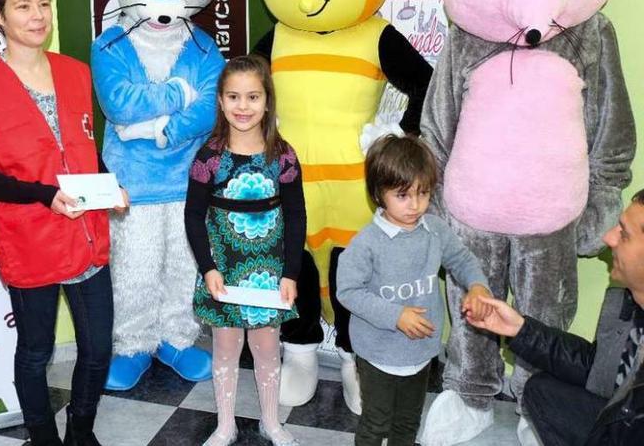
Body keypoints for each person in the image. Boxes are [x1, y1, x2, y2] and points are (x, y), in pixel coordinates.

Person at [0, 0, 124, 446]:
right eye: (23, 6)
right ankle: (44, 436)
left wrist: (110, 186)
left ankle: (81, 429)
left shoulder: (73, 72)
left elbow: (84, 148)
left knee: (96, 349)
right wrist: (43, 195)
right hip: (30, 239)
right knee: (35, 351)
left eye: (43, 4)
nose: (37, 16)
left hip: (87, 236)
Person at [335, 135, 493, 446]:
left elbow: (461, 259)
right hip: (378, 354)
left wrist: (477, 286)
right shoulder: (367, 244)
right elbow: (349, 291)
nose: (415, 205)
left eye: (423, 193)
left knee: (408, 424)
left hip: (421, 353)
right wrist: (396, 316)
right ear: (379, 193)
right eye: (403, 195)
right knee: (375, 423)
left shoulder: (435, 231)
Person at [184, 55, 305, 446]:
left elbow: (296, 214)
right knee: (225, 346)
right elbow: (193, 216)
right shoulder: (209, 157)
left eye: (252, 97)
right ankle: (225, 425)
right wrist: (207, 268)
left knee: (267, 347)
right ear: (220, 100)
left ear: (267, 101)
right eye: (233, 96)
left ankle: (271, 422)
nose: (243, 106)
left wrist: (290, 273)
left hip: (268, 270)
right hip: (223, 268)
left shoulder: (282, 156)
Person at [464, 189, 644, 446]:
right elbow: (596, 366)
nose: (608, 237)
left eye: (624, 234)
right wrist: (520, 330)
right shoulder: (624, 297)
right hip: (623, 417)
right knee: (542, 391)